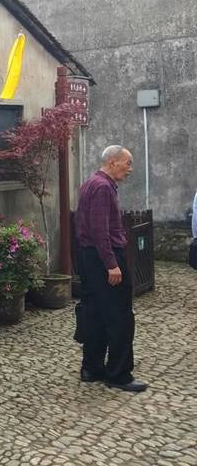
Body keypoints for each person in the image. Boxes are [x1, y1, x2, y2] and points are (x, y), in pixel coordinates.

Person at [75, 145, 147, 392]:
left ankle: (91, 368)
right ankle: (118, 374)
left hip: (89, 257)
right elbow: (99, 231)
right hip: (103, 258)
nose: (130, 169)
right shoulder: (103, 187)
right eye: (128, 163)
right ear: (113, 162)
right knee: (120, 317)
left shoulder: (91, 183)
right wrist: (112, 264)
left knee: (94, 313)